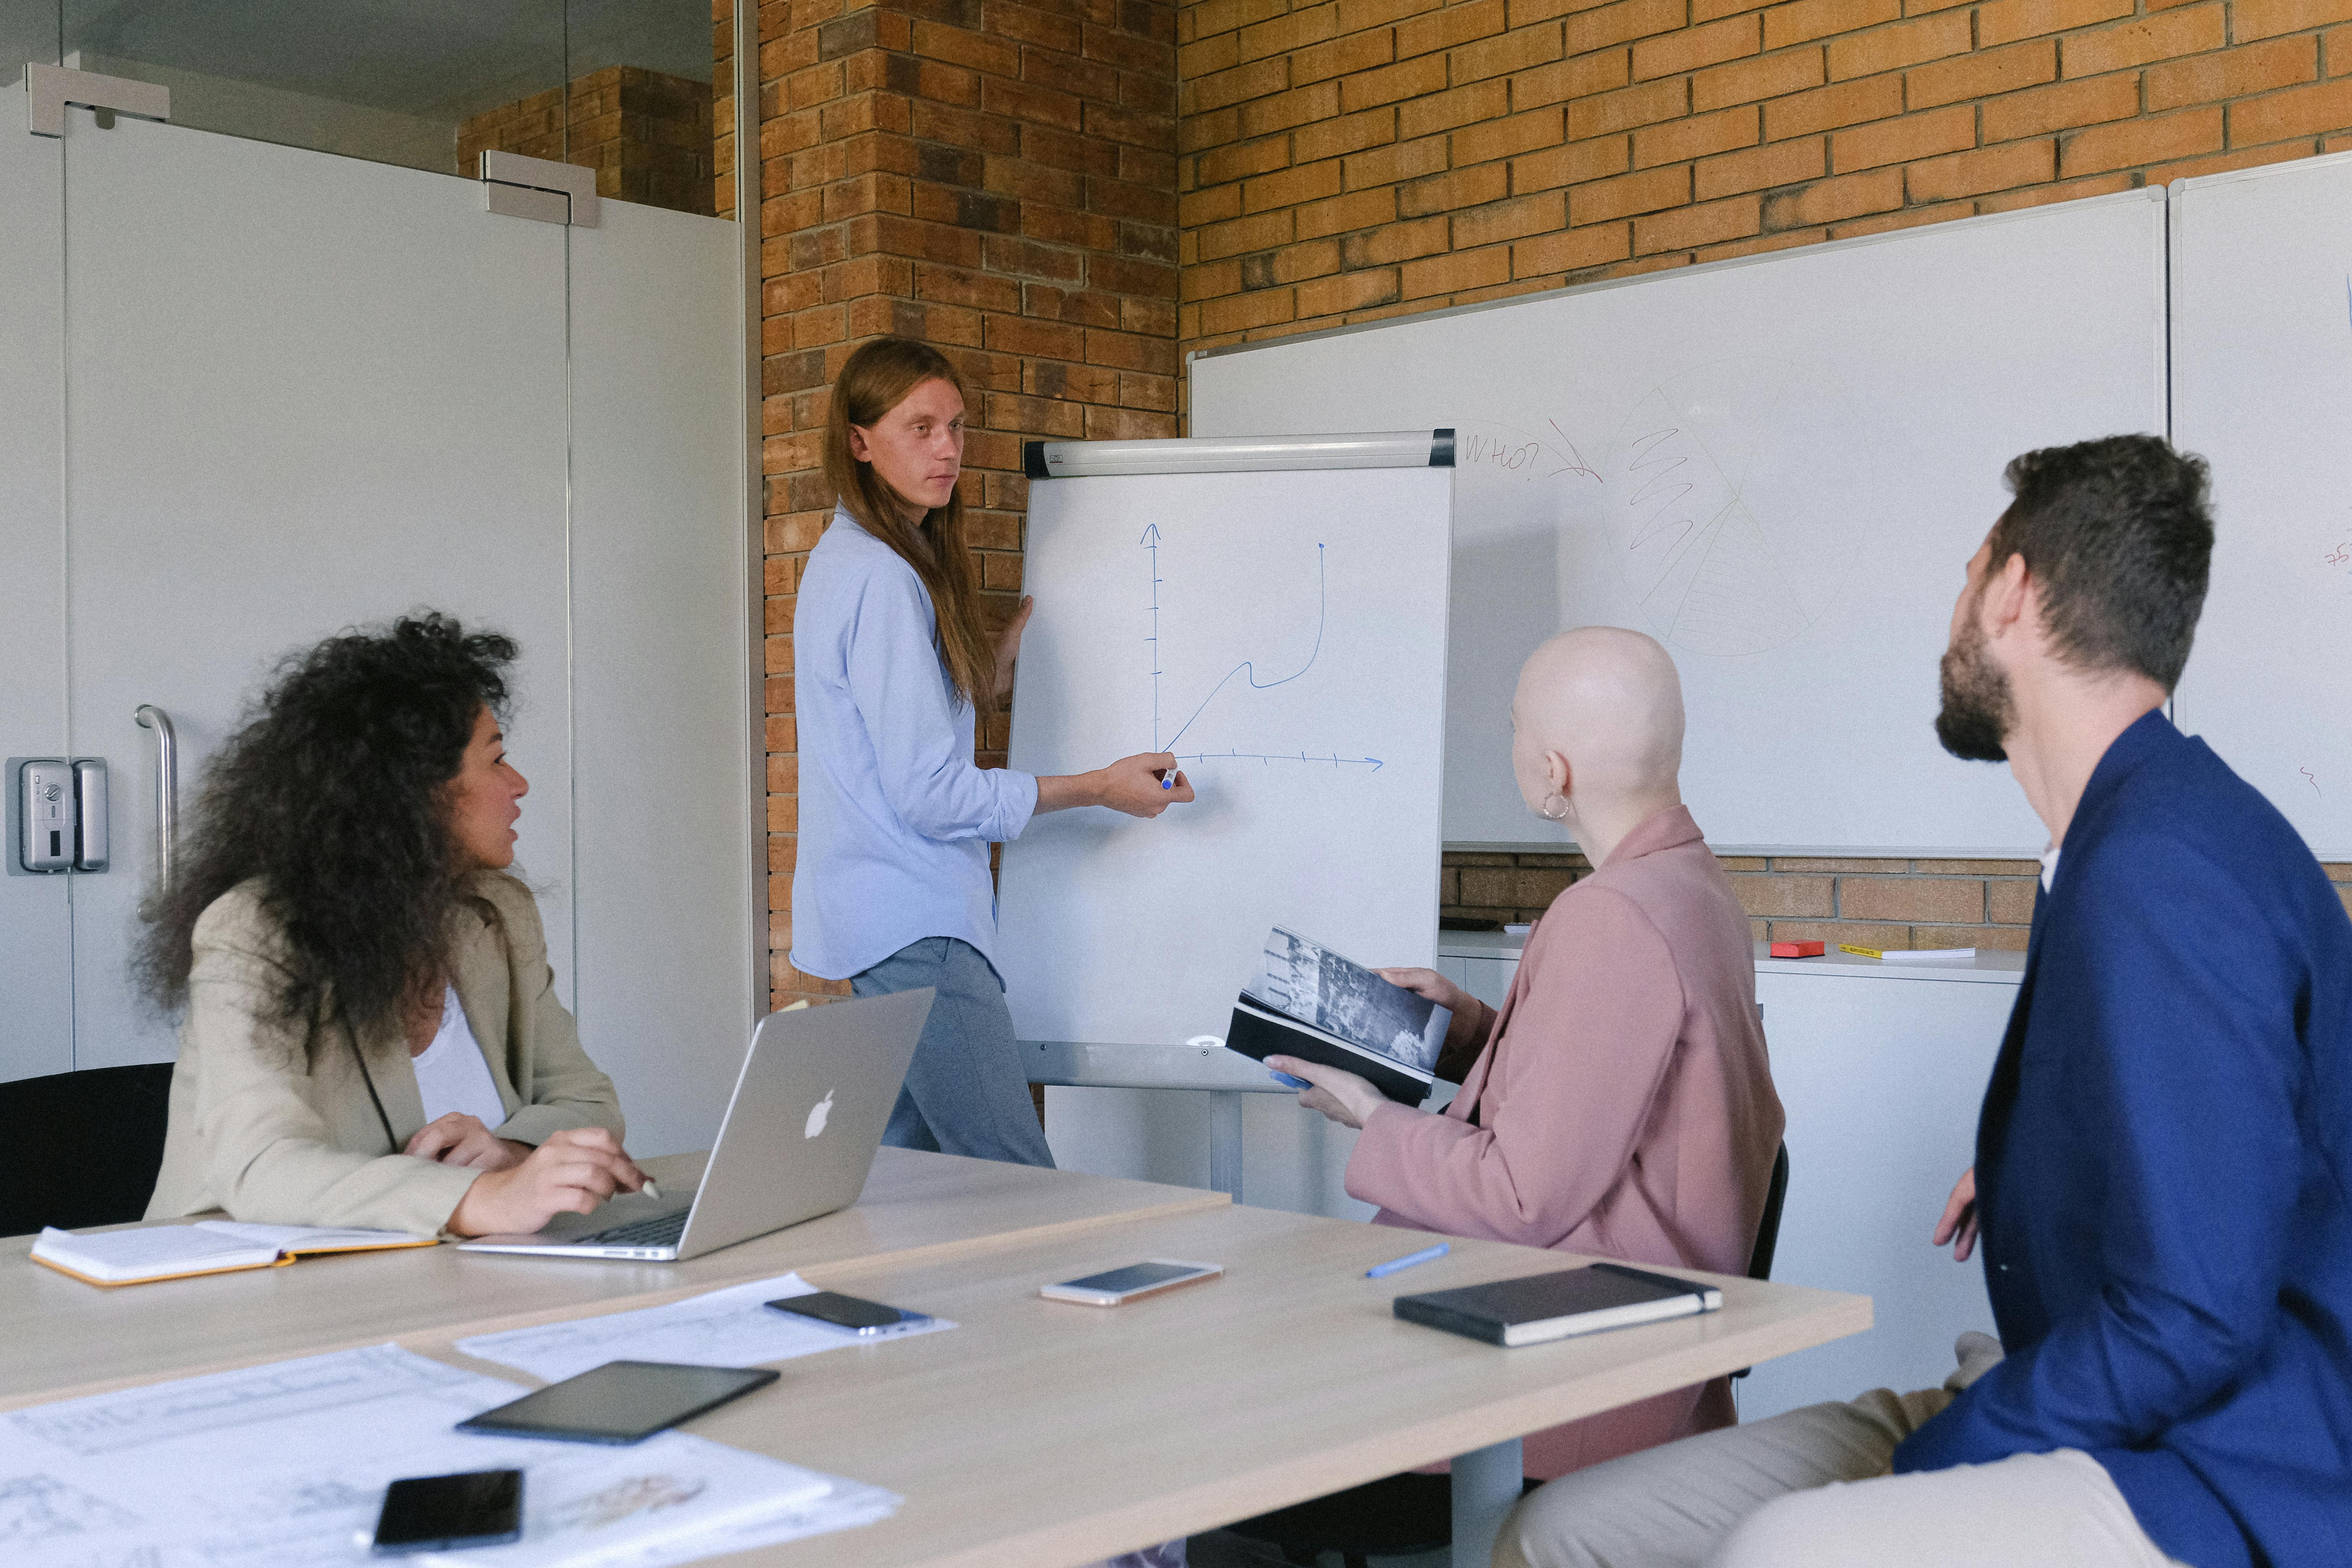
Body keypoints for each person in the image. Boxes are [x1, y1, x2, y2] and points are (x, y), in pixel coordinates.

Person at [1499, 435, 2352, 1568]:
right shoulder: (2126, 836)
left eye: (1964, 575)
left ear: (2011, 590)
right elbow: (2223, 1140)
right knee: (1566, 1530)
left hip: (2219, 1466)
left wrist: (1944, 1459)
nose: (1949, 612)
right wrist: (2038, 1169)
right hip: (2087, 1388)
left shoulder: (2163, 869)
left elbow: (2192, 1320)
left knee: (1789, 1550)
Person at [1272, 626, 1786, 1479]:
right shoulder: (1691, 887)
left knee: (1243, 1396)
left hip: (1565, 1367)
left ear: (1555, 770)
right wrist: (1469, 1028)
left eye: (1514, 725)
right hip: (1642, 1339)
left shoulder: (1611, 914)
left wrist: (1371, 1113)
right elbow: (1615, 1083)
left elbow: (1521, 1196)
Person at [792, 336, 1194, 1167]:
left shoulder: (847, 562)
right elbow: (929, 795)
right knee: (1020, 1183)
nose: (947, 449)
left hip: (879, 928)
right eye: (920, 427)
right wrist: (1100, 787)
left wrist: (984, 681)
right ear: (859, 441)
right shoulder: (882, 578)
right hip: (918, 928)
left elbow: (882, 746)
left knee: (911, 1188)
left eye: (956, 428)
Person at [140, 614, 651, 1238]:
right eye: (497, 760)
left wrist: (510, 1152)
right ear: (414, 794)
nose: (519, 784)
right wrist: (481, 1198)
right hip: (240, 1294)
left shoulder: (497, 914)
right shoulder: (254, 932)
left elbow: (591, 1103)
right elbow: (261, 1166)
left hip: (447, 1277)